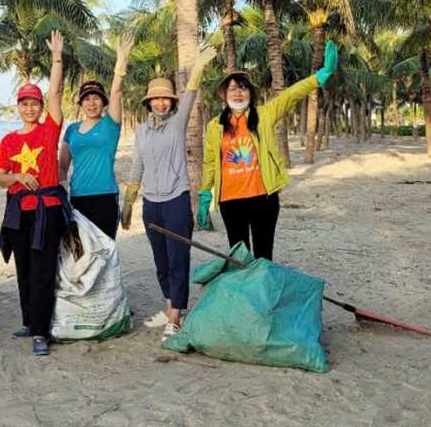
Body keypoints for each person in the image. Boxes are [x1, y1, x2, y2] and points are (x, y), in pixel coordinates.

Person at [198, 41, 339, 260]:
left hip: (263, 199)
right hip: (230, 201)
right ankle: (247, 294)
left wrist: (319, 77)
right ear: (224, 94)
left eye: (242, 88)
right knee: (240, 259)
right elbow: (209, 162)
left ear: (250, 94)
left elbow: (290, 95)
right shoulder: (215, 126)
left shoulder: (264, 114)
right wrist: (205, 193)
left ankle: (264, 294)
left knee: (264, 257)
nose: (238, 93)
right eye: (232, 88)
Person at [121, 46, 218, 342]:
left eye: (166, 99)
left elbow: (190, 93)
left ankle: (176, 316)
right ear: (148, 103)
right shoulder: (142, 131)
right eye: (156, 99)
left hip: (176, 202)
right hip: (151, 204)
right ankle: (169, 307)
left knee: (178, 260)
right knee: (161, 262)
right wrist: (128, 202)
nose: (161, 103)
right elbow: (137, 165)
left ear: (171, 102)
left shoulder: (177, 123)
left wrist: (198, 67)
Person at [0, 31, 68, 357]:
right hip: (18, 212)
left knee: (42, 270)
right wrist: (17, 175)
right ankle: (29, 320)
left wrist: (56, 59)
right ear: (18, 107)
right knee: (23, 267)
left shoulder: (49, 131)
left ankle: (41, 331)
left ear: (40, 107)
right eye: (24, 103)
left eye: (34, 103)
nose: (29, 107)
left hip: (47, 210)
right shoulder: (9, 140)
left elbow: (56, 91)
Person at [58, 33, 134, 239]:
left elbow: (117, 91)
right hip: (77, 196)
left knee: (105, 250)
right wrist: (63, 188)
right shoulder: (72, 129)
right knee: (81, 252)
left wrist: (121, 63)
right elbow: (63, 165)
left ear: (103, 102)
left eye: (97, 99)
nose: (92, 103)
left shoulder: (110, 125)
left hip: (105, 196)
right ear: (81, 103)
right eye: (87, 99)